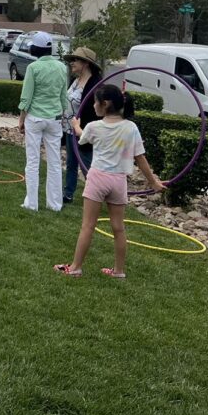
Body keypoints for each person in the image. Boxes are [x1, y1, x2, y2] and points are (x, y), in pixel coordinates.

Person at [56, 85, 165, 278]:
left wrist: (75, 126)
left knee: (88, 226)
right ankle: (119, 271)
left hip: (98, 178)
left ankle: (75, 268)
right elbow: (140, 158)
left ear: (104, 104)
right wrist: (153, 182)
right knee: (118, 228)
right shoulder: (131, 128)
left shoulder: (94, 127)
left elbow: (82, 138)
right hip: (118, 181)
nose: (93, 105)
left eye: (95, 102)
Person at [17, 31, 69, 212]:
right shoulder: (62, 67)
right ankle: (55, 204)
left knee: (32, 161)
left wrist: (22, 118)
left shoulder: (33, 68)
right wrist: (63, 115)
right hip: (54, 118)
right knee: (55, 162)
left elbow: (26, 97)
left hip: (35, 118)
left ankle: (32, 203)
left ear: (35, 48)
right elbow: (64, 96)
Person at [63, 47, 103, 204]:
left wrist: (86, 130)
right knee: (71, 163)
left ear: (86, 63)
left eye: (76, 60)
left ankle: (97, 195)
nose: (72, 63)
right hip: (69, 128)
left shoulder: (96, 85)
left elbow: (99, 110)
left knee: (87, 165)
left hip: (85, 131)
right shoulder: (75, 81)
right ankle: (68, 193)